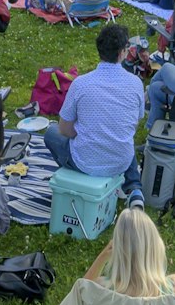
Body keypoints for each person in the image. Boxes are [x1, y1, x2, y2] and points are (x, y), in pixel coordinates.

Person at [49, 22, 147, 204]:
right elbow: (133, 124)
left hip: (85, 162)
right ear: (122, 53)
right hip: (121, 162)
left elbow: (64, 129)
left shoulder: (80, 84)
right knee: (123, 137)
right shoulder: (136, 83)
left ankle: (79, 178)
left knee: (51, 132)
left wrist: (88, 132)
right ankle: (133, 188)